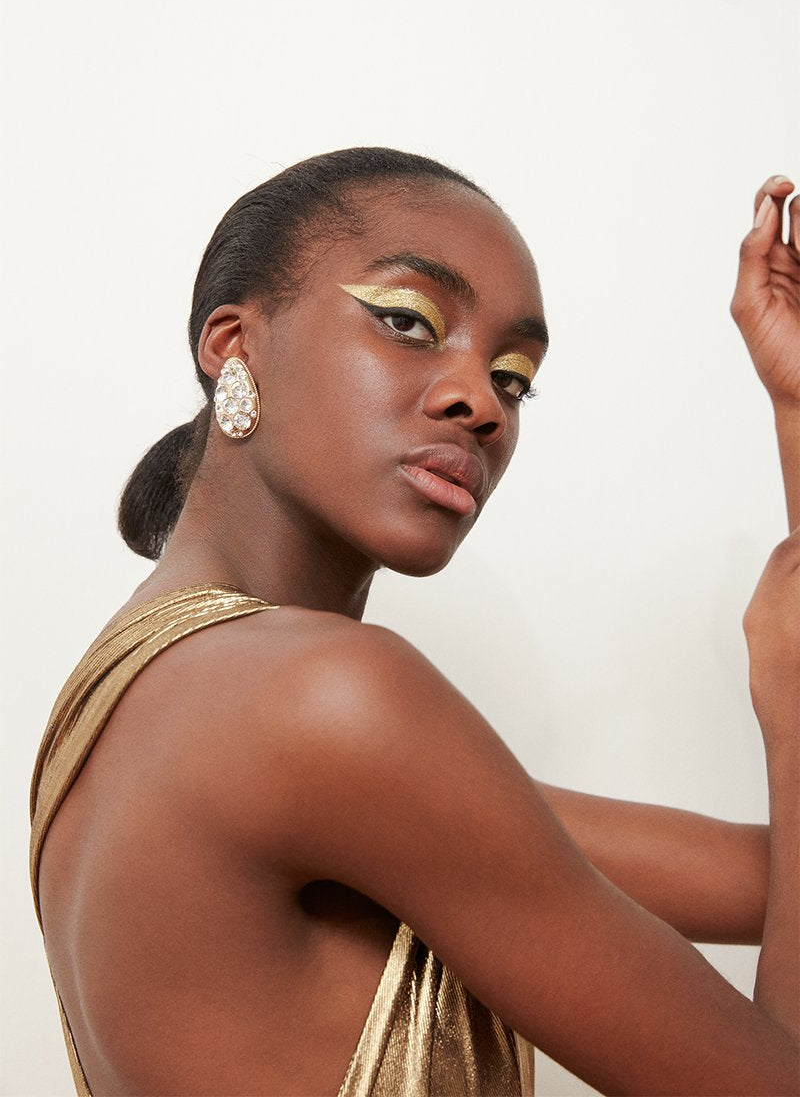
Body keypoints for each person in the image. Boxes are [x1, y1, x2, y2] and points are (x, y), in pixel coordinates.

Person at [30, 148, 798, 1096]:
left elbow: (769, 883)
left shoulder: (141, 700)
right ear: (233, 343)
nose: (481, 402)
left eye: (513, 377)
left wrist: (795, 407)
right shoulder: (328, 700)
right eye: (408, 321)